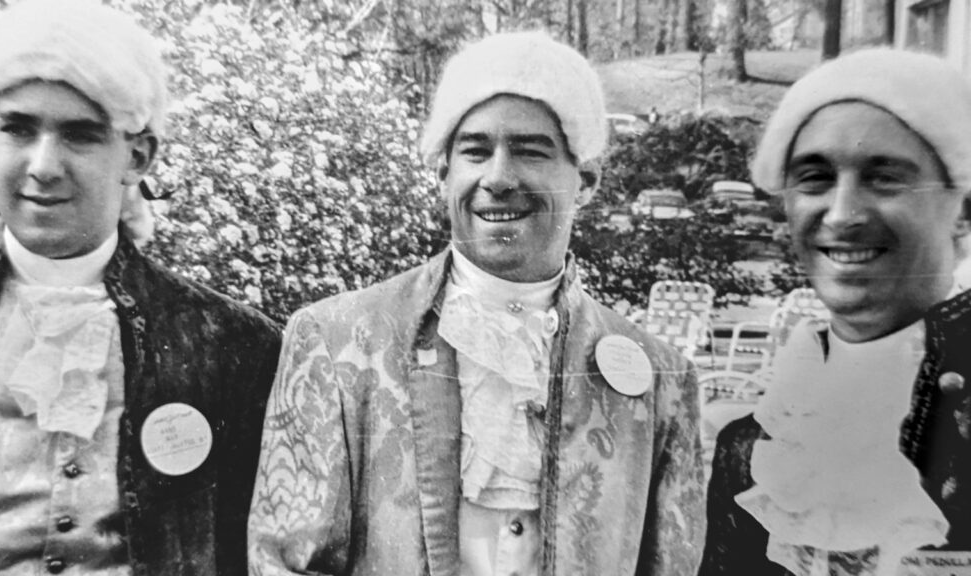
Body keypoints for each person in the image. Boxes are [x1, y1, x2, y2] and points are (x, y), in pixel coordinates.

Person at [248, 31, 706, 576]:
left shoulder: (662, 379)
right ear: (444, 173)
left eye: (531, 152)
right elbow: (285, 565)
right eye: (475, 151)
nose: (498, 177)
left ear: (585, 180)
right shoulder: (336, 339)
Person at [0, 0, 282, 574]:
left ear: (138, 156)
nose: (43, 165)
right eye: (18, 129)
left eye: (79, 136)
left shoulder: (233, 346)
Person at [700, 48, 971, 576]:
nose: (843, 214)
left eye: (885, 177)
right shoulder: (754, 448)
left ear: (963, 212)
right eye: (815, 179)